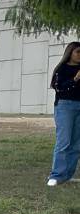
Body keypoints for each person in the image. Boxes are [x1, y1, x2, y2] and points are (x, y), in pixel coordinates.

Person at [48, 41, 80, 186]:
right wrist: (75, 79)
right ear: (70, 53)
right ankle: (56, 175)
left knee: (76, 143)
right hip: (65, 106)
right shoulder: (61, 69)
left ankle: (67, 175)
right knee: (64, 141)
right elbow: (59, 88)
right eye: (78, 52)